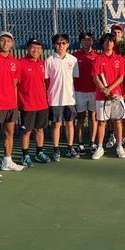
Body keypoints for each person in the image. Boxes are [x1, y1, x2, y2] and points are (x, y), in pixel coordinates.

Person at [0, 31, 24, 173]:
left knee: (9, 133)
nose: (5, 43)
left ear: (12, 43)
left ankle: (7, 161)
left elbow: (14, 84)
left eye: (8, 40)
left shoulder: (16, 63)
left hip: (11, 105)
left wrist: (15, 104)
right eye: (2, 40)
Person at [44, 33, 79, 161]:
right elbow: (47, 80)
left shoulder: (73, 60)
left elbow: (74, 79)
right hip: (55, 98)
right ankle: (56, 150)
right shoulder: (49, 60)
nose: (61, 45)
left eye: (63, 43)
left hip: (70, 98)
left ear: (68, 45)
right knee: (56, 124)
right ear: (54, 45)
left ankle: (70, 148)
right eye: (58, 43)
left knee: (70, 123)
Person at [91, 32, 125, 159]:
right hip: (101, 97)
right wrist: (104, 91)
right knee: (101, 122)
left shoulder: (119, 59)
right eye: (106, 41)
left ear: (114, 43)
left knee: (117, 121)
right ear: (102, 43)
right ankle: (99, 147)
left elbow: (121, 77)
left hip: (116, 95)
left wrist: (110, 89)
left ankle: (119, 146)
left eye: (111, 41)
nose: (109, 43)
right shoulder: (98, 59)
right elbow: (96, 78)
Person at [17, 38, 51, 167]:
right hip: (27, 104)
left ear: (41, 50)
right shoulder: (21, 64)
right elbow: (15, 84)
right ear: (27, 48)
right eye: (33, 47)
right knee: (26, 131)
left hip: (42, 104)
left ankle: (39, 153)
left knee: (40, 129)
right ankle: (25, 156)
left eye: (38, 48)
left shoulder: (42, 64)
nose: (35, 50)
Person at [72, 32, 99, 156]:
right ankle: (81, 143)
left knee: (93, 117)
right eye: (84, 40)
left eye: (89, 40)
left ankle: (92, 142)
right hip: (79, 92)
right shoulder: (74, 57)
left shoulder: (97, 56)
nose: (86, 42)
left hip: (94, 92)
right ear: (80, 42)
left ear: (92, 42)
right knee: (81, 118)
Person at [105, 23, 125, 148]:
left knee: (121, 112)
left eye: (119, 33)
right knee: (110, 114)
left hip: (122, 81)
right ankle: (111, 136)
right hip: (109, 83)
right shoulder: (108, 45)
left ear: (122, 34)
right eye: (114, 33)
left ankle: (122, 136)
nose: (117, 35)